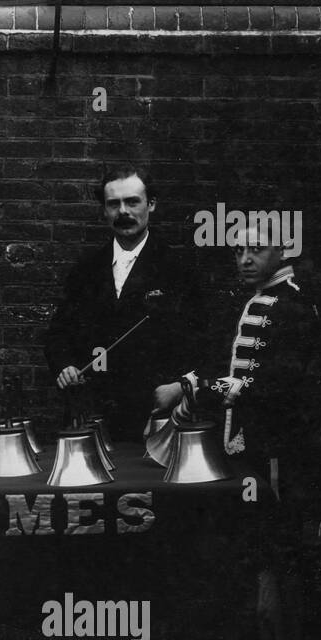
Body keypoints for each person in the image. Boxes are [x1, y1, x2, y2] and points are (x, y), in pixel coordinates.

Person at [154, 225, 320, 640]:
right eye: (239, 250)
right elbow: (236, 368)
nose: (245, 259)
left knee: (272, 566)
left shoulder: (291, 308)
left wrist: (194, 388)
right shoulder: (255, 300)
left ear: (283, 251)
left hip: (275, 456)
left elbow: (271, 383)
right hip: (248, 450)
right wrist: (192, 383)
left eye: (256, 250)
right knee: (250, 562)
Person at [44, 165, 201, 441]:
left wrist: (180, 386)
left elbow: (203, 340)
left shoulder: (179, 269)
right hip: (94, 413)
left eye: (132, 202)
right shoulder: (86, 269)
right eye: (113, 204)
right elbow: (59, 333)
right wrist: (65, 366)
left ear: (151, 204)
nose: (123, 211)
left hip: (156, 414)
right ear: (104, 211)